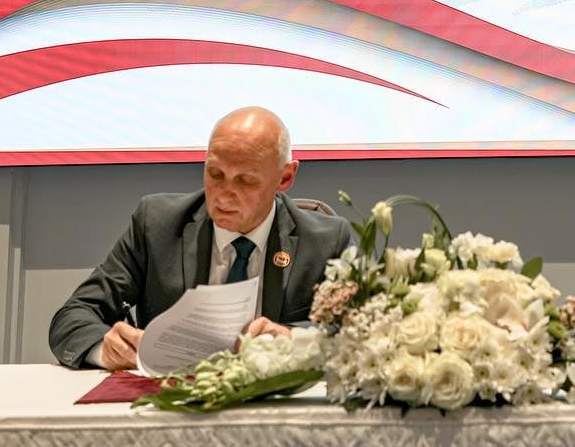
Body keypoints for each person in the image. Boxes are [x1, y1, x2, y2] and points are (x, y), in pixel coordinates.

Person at [49, 107, 351, 370]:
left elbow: (358, 333)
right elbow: (73, 317)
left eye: (245, 181)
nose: (224, 195)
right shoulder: (157, 225)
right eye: (215, 174)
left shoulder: (325, 242)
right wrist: (105, 349)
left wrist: (293, 339)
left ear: (284, 177)